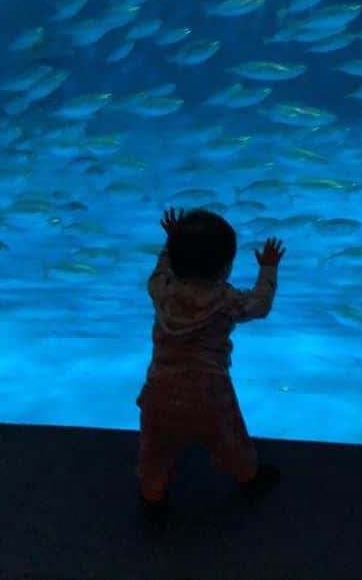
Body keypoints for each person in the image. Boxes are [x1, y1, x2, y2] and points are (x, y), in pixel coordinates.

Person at [135, 206, 286, 526]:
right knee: (229, 439)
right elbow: (259, 305)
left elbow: (161, 268)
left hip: (160, 387)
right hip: (210, 391)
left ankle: (153, 498)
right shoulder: (226, 299)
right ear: (225, 268)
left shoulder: (161, 290)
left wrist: (171, 241)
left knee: (155, 450)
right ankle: (249, 479)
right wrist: (268, 270)